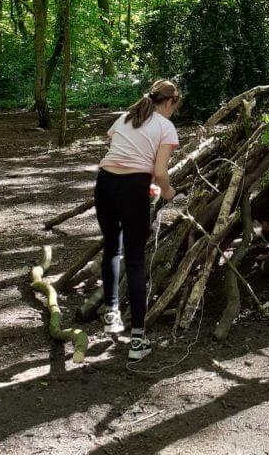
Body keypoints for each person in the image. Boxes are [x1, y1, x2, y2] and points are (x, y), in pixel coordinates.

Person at [95, 79, 180, 361]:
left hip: (105, 185)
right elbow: (159, 172)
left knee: (111, 248)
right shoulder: (165, 127)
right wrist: (168, 192)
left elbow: (119, 151)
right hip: (133, 190)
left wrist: (145, 181)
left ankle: (111, 314)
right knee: (134, 260)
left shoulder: (125, 117)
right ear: (169, 102)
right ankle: (137, 341)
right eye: (175, 106)